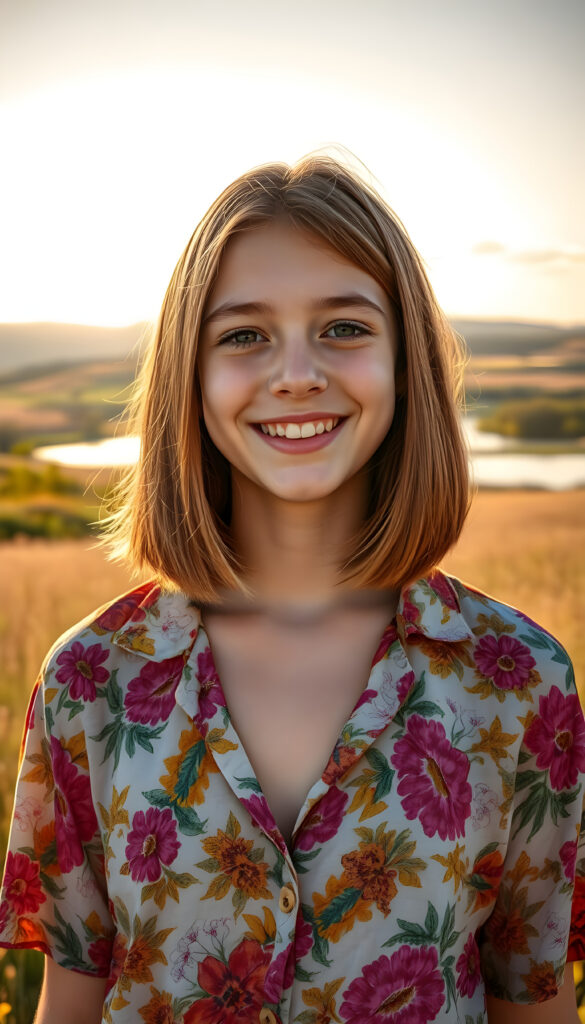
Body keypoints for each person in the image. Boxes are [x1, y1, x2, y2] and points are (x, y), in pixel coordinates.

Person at [0, 154, 583, 1024]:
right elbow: (71, 1000)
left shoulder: (518, 680)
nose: (297, 373)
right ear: (189, 379)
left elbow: (529, 1000)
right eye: (242, 335)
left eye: (344, 328)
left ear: (404, 358)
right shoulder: (92, 679)